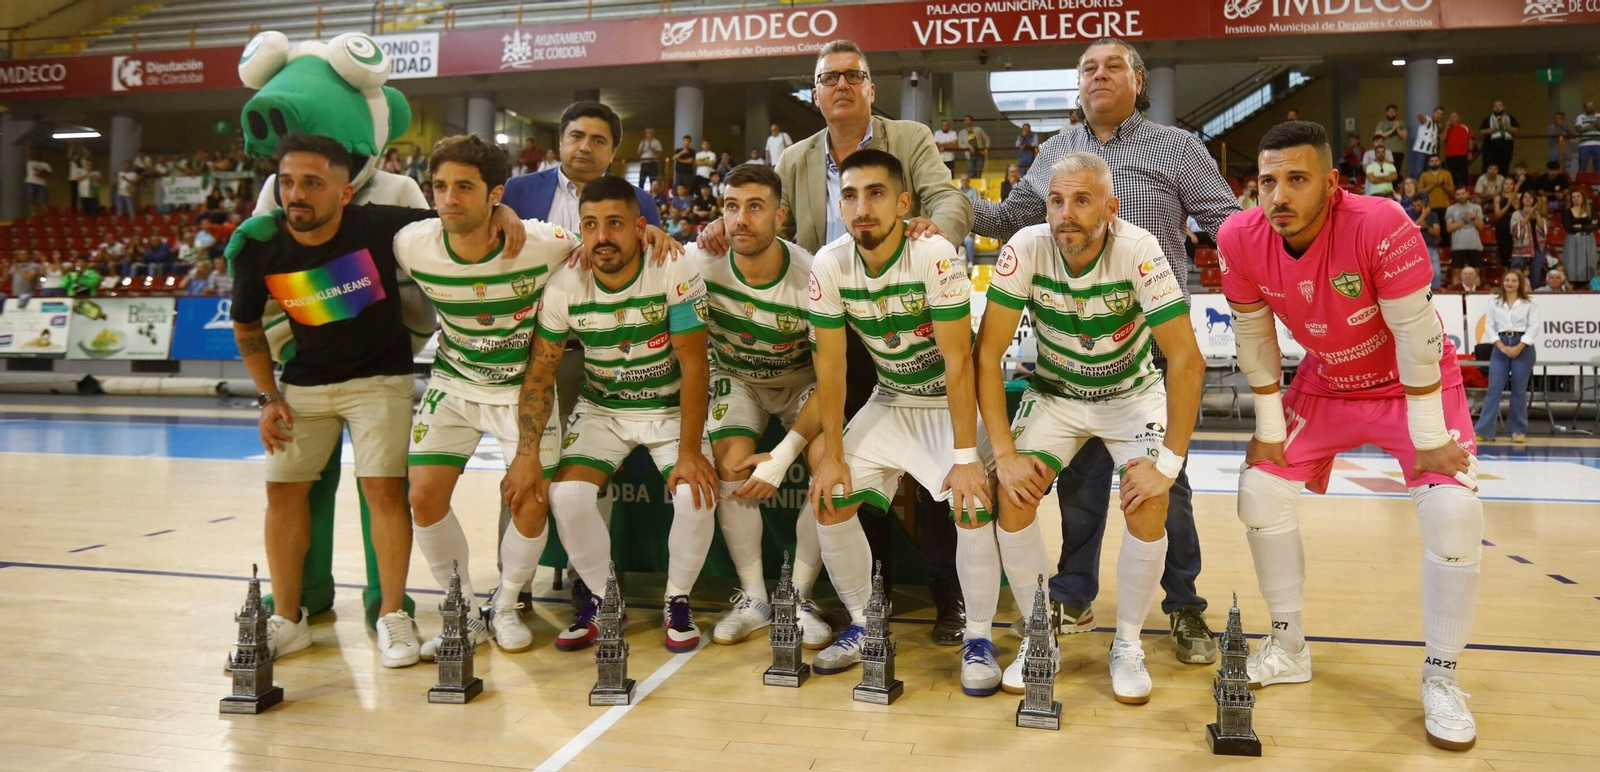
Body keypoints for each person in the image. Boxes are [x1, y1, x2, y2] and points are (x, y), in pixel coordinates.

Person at [1219, 120, 1484, 752]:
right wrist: (1268, 426)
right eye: (1267, 181)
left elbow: (1419, 337)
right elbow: (1254, 339)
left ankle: (1442, 677)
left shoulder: (1380, 222)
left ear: (1332, 184)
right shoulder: (1239, 235)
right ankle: (1288, 647)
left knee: (1454, 510)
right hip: (1328, 383)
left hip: (1412, 386)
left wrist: (1426, 432)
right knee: (1258, 489)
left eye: (1297, 180)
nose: (1278, 196)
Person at [699, 40, 975, 644]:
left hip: (908, 314)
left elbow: (949, 196)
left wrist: (939, 230)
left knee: (937, 472)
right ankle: (866, 599)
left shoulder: (910, 137)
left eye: (855, 75)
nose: (842, 85)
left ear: (872, 89)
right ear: (816, 93)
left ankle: (949, 598)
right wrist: (728, 228)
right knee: (848, 466)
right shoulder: (795, 157)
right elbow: (773, 225)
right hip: (831, 325)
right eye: (829, 78)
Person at [972, 37, 1237, 663]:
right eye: (1087, 67)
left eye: (1112, 65)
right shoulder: (1057, 152)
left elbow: (1225, 220)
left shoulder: (1176, 147)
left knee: (1165, 489)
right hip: (1068, 339)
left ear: (1138, 81)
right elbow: (1013, 220)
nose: (1098, 75)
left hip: (1145, 336)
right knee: (1078, 490)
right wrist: (946, 208)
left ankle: (1183, 606)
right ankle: (1072, 595)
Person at [228, 133, 522, 668]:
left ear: (345, 193)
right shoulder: (258, 246)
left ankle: (392, 615)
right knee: (282, 496)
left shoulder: (381, 225)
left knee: (385, 493)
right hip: (300, 386)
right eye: (287, 183)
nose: (297, 194)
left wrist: (505, 216)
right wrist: (268, 396)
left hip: (380, 381)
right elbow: (245, 322)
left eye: (313, 183)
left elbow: (456, 216)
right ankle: (289, 620)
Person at [974, 151, 1204, 703]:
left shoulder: (1139, 249)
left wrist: (1168, 466)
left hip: (1131, 395)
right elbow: (987, 356)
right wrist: (1003, 454)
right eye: (1056, 200)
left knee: (1148, 498)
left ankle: (1127, 643)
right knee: (1014, 492)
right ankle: (1038, 634)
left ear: (1111, 207)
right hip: (1055, 395)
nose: (1065, 214)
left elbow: (1186, 359)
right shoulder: (1025, 247)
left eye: (1081, 201)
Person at [504, 175, 719, 653]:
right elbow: (539, 374)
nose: (602, 237)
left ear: (641, 228)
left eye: (615, 224)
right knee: (567, 497)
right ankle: (604, 600)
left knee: (695, 495)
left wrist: (688, 452)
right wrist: (527, 453)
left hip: (667, 405)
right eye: (591, 225)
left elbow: (693, 364)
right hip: (603, 407)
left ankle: (676, 600)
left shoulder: (672, 264)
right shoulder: (565, 282)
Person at [803, 148, 994, 681]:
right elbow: (833, 369)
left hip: (949, 402)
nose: (862, 207)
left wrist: (963, 459)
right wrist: (834, 456)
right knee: (830, 496)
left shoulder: (933, 252)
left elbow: (959, 363)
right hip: (891, 398)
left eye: (876, 193)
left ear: (903, 203)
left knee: (971, 502)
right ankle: (866, 625)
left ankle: (979, 639)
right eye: (850, 194)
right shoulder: (830, 262)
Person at [393, 135, 580, 658]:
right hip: (453, 383)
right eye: (440, 186)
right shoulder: (413, 243)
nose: (449, 199)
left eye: (465, 188)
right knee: (424, 496)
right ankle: (464, 611)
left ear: (495, 193)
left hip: (522, 390)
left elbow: (606, 242)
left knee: (529, 499)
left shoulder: (544, 242)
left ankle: (505, 603)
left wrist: (652, 231)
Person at [682, 163, 831, 649]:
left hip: (804, 383)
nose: (741, 219)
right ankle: (753, 597)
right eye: (730, 207)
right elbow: (645, 260)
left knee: (829, 469)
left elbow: (833, 377)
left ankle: (799, 596)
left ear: (779, 215)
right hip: (738, 378)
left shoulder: (813, 274)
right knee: (730, 467)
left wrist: (786, 452)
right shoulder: (699, 263)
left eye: (754, 207)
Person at [502, 102, 661, 229]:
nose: (585, 147)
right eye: (576, 136)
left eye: (598, 141)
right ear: (561, 141)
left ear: (613, 152)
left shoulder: (640, 201)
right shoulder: (518, 189)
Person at [1475, 270, 1539, 445]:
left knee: (1519, 390)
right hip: (1500, 344)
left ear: (1520, 283)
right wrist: (1501, 346)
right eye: (1507, 280)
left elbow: (1533, 327)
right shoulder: (1494, 303)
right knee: (1493, 389)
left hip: (1523, 346)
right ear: (1502, 282)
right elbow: (1489, 327)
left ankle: (1517, 431)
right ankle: (1484, 430)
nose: (1510, 283)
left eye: (1514, 281)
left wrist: (1519, 346)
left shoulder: (1529, 304)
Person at [1444, 187, 1485, 285]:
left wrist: (1474, 219)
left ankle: (1476, 294)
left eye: (1463, 193)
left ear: (1467, 193)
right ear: (1455, 196)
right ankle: (1456, 294)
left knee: (1475, 272)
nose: (1461, 196)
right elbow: (1449, 228)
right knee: (1456, 272)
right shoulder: (1451, 209)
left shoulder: (1476, 208)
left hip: (1474, 244)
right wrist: (1464, 221)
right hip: (1458, 245)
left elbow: (1481, 227)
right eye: (1458, 194)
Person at [1509, 190, 1547, 285]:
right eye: (1525, 197)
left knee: (1536, 273)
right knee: (1516, 272)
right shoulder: (1516, 214)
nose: (1528, 199)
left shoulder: (1539, 214)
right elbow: (1515, 229)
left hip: (1538, 247)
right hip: (1521, 248)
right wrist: (1529, 214)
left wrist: (1537, 214)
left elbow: (1544, 229)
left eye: (1530, 197)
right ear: (1522, 200)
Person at [1562, 188, 1596, 286]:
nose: (1576, 199)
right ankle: (1573, 285)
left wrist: (1581, 226)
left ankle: (1589, 285)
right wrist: (1587, 227)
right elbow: (1568, 228)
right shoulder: (1567, 212)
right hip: (1573, 240)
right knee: (1572, 264)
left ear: (1583, 198)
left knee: (1589, 263)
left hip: (1588, 240)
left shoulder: (1591, 210)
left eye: (1578, 196)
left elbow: (1595, 226)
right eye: (1573, 197)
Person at [1411, 195, 1443, 290]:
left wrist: (1426, 227)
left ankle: (1437, 292)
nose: (1417, 208)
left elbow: (1436, 232)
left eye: (1419, 205)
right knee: (1417, 273)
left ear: (1424, 203)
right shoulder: (1410, 215)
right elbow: (1412, 229)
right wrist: (1423, 215)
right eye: (1415, 206)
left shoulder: (1433, 215)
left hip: (1431, 247)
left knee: (1436, 272)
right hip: (1416, 248)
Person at [1479, 100, 1519, 175]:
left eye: (1500, 106)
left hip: (1506, 147)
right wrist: (1494, 128)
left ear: (1504, 107)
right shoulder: (1488, 119)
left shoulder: (1510, 118)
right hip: (1491, 148)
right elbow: (1481, 132)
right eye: (1495, 106)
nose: (1497, 108)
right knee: (1491, 168)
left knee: (1504, 168)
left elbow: (1516, 131)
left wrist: (1507, 126)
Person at [1411, 106, 1444, 180]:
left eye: (1440, 114)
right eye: (1437, 113)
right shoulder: (1429, 120)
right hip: (1421, 150)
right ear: (1433, 113)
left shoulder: (1438, 125)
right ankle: (1417, 188)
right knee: (1419, 171)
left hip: (1432, 152)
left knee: (1429, 172)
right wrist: (1420, 117)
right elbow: (1424, 119)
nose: (1438, 115)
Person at [1417, 155, 1454, 220]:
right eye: (1432, 161)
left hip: (1444, 206)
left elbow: (1452, 192)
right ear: (1428, 163)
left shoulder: (1447, 174)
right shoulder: (1424, 175)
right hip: (1429, 207)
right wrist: (1433, 184)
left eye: (1436, 161)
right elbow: (1420, 193)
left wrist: (1443, 184)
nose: (1434, 163)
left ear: (1440, 162)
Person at [1374, 103, 1407, 174]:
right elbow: (1379, 136)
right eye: (1390, 111)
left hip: (1398, 151)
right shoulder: (1382, 123)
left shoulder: (1401, 123)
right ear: (1387, 112)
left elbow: (1404, 137)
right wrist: (1392, 130)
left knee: (1396, 171)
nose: (1392, 113)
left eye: (1394, 112)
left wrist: (1397, 128)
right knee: (1384, 170)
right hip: (1385, 151)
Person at [1443, 112, 1474, 186]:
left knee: (1464, 173)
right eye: (1451, 116)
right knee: (1452, 173)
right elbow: (1442, 138)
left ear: (1458, 118)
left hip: (1462, 154)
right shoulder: (1446, 128)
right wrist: (1446, 128)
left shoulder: (1465, 127)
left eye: (1454, 116)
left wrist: (1470, 152)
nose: (1452, 118)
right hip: (1450, 155)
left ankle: (1466, 188)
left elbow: (1470, 139)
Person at [25, 150, 52, 217]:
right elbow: (27, 153)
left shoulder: (45, 164)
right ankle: (33, 213)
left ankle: (45, 213)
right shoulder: (30, 162)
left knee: (43, 199)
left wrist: (42, 174)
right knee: (31, 198)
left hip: (41, 183)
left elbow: (50, 174)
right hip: (31, 182)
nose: (37, 155)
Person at [1576, 101, 1600, 174]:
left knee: (1598, 163)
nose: (1590, 108)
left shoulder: (1599, 116)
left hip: (1597, 144)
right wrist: (1592, 125)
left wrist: (1597, 124)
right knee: (1582, 163)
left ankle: (1598, 182)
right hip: (1584, 144)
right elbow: (1579, 129)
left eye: (1591, 106)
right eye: (1588, 107)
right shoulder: (1580, 117)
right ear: (1585, 108)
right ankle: (1580, 181)